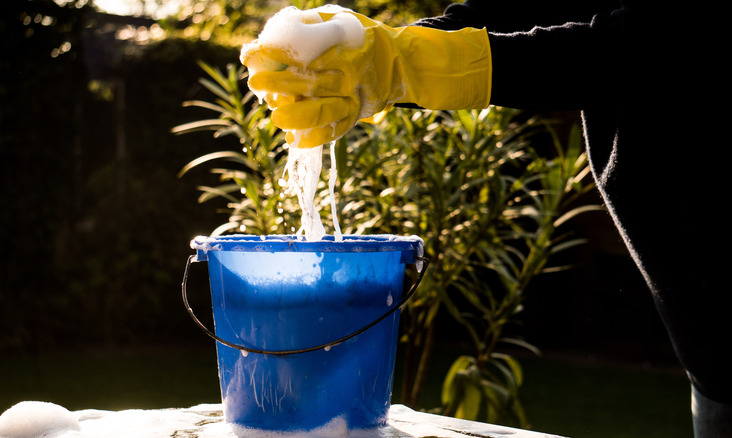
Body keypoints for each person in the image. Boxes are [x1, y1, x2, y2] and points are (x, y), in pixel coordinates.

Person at [240, 1, 730, 436]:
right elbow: (524, 10)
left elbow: (652, 45)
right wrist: (363, 49)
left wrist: (406, 64)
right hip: (714, 358)